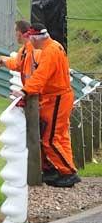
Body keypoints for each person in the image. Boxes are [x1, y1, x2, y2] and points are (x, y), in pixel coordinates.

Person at [13, 24, 80, 188]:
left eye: (31, 38)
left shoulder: (49, 51)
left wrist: (25, 90)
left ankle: (68, 172)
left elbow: (41, 75)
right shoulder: (54, 46)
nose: (29, 42)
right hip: (58, 96)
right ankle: (64, 169)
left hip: (57, 97)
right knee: (60, 136)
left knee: (49, 139)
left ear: (36, 38)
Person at [0, 20, 39, 86]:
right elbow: (17, 64)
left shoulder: (34, 51)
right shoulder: (24, 49)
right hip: (29, 89)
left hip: (35, 90)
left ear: (19, 33)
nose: (15, 35)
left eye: (15, 31)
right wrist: (3, 60)